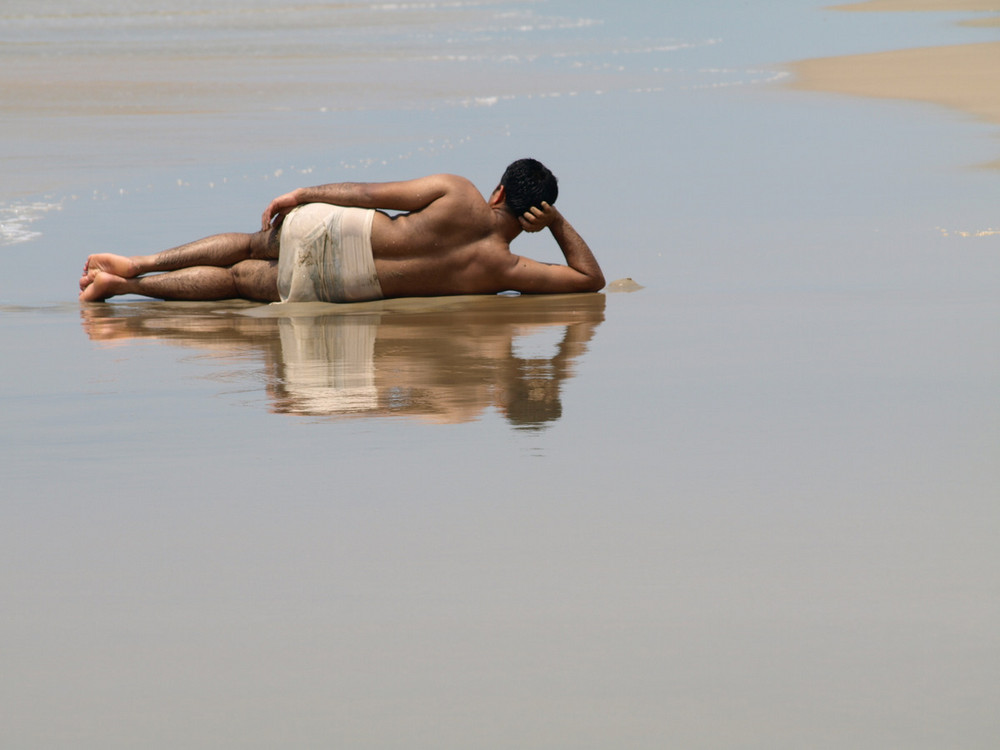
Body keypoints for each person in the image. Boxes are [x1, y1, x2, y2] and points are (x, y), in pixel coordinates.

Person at [79, 158, 604, 303]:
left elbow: (372, 194)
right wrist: (558, 225)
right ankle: (123, 289)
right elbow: (589, 280)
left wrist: (302, 194)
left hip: (345, 229)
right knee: (241, 280)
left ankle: (138, 264)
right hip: (351, 286)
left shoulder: (458, 191)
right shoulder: (507, 271)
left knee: (248, 244)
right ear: (534, 214)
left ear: (496, 192)